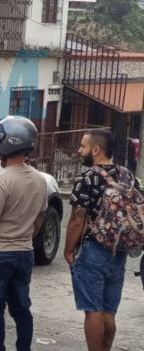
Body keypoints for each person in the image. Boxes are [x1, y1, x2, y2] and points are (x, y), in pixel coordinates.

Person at [0, 116, 47, 351]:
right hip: (24, 253)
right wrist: (24, 236)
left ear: (8, 144)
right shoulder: (40, 179)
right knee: (22, 308)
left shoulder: (0, 181)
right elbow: (40, 217)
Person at [64, 128, 142, 351]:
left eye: (83, 146)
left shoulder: (87, 178)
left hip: (93, 249)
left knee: (93, 310)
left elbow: (77, 220)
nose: (80, 150)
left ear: (95, 149)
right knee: (109, 311)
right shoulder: (128, 176)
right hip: (120, 250)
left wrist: (68, 249)